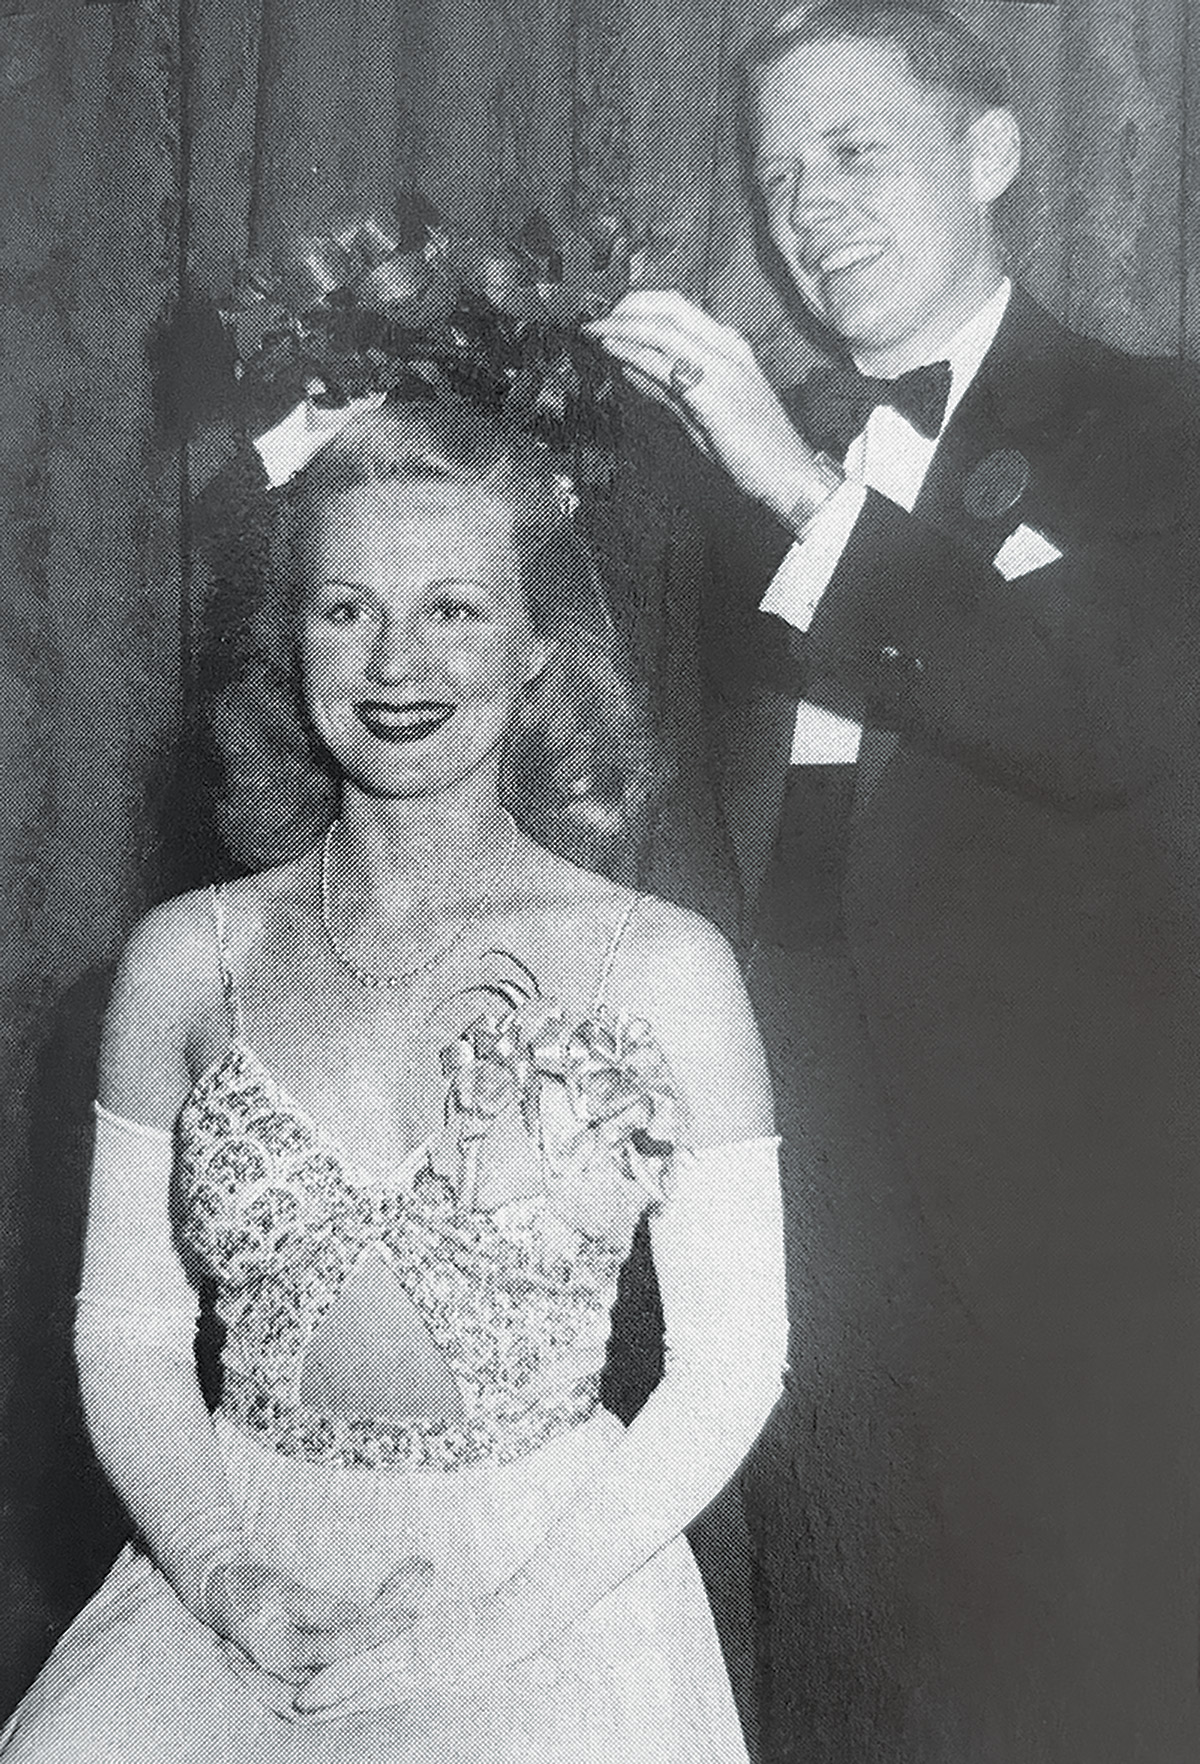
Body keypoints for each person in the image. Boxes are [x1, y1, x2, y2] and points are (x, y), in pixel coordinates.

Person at [0, 390, 787, 1763]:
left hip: (547, 1597)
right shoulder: (189, 960)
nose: (394, 663)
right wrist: (225, 1580)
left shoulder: (662, 969)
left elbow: (732, 1366)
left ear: (542, 643)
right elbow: (127, 1336)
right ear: (290, 639)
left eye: (457, 610)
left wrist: (495, 1632)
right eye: (346, 609)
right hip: (238, 1579)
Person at [591, 3, 1200, 1759]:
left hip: (1067, 1200)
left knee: (1074, 1679)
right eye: (779, 177)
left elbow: (1094, 718)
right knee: (832, 1667)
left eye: (855, 153)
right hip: (787, 1157)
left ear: (989, 153)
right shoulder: (722, 460)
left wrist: (798, 494)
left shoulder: (1157, 430)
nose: (810, 212)